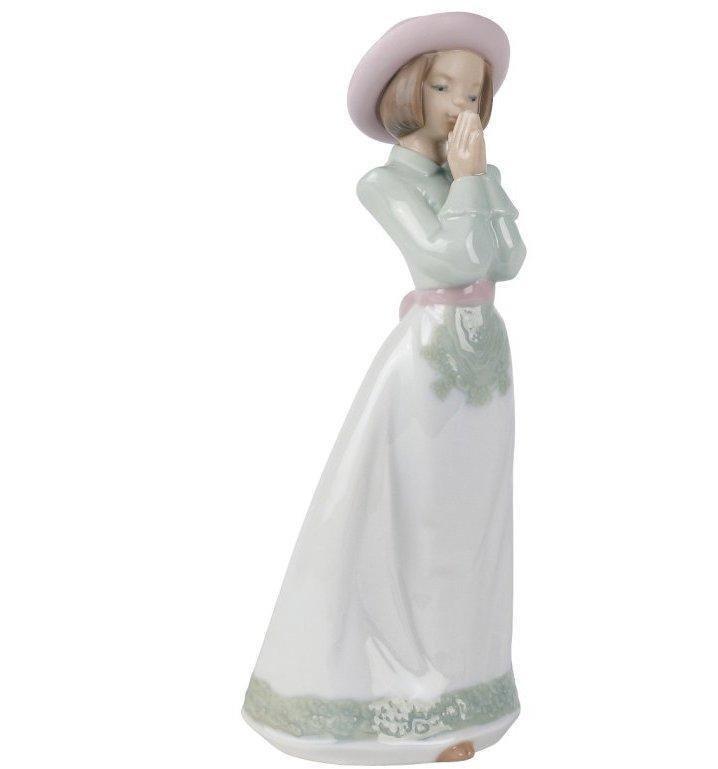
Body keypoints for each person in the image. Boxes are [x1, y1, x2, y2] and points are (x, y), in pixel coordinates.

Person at [243, 13, 526, 764]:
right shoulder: (386, 182)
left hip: (487, 355)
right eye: (442, 87)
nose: (460, 105)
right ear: (409, 92)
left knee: (475, 524)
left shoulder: (475, 176)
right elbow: (445, 261)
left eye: (473, 92)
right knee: (422, 523)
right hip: (430, 359)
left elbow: (507, 260)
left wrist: (476, 180)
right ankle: (409, 695)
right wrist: (470, 183)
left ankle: (464, 687)